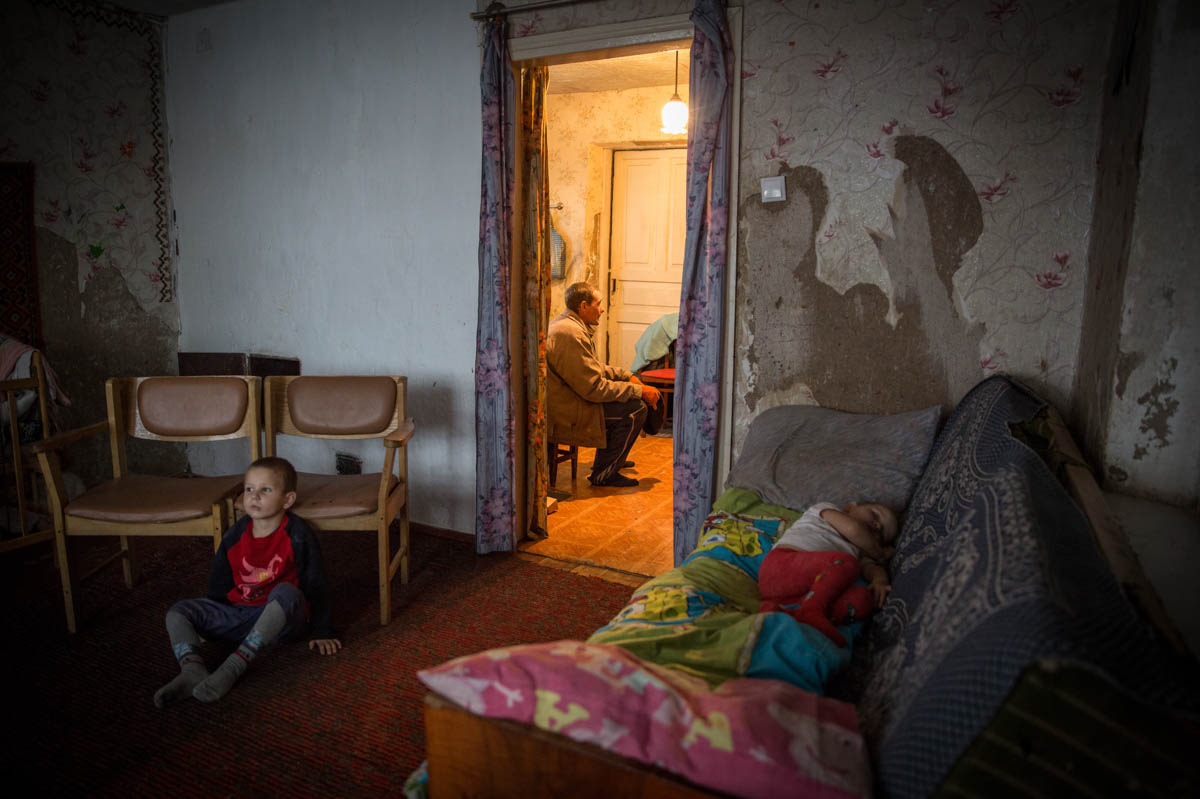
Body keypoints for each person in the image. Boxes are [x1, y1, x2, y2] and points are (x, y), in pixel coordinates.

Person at [153, 456, 340, 708]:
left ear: (288, 500)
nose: (254, 496)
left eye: (265, 490)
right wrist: (211, 623)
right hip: (240, 614)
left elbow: (316, 583)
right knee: (177, 612)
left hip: (281, 619)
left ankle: (235, 664)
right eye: (249, 489)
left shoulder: (297, 535)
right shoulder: (234, 536)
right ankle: (191, 670)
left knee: (286, 592)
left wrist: (322, 629)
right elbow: (219, 583)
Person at [547, 282, 661, 488]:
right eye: (598, 304)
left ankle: (611, 457)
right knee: (635, 408)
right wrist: (639, 390)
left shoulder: (571, 326)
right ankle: (605, 473)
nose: (601, 309)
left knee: (630, 398)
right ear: (583, 306)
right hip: (566, 411)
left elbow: (594, 369)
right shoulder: (570, 333)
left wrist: (627, 377)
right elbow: (594, 388)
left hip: (575, 400)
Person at [757, 500, 899, 647]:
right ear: (850, 507)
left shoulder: (859, 553)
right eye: (874, 514)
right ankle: (813, 610)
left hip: (800, 595)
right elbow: (853, 529)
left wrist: (880, 581)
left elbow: (872, 569)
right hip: (782, 567)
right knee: (848, 563)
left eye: (881, 534)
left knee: (863, 599)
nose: (877, 525)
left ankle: (791, 613)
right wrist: (879, 552)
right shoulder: (826, 509)